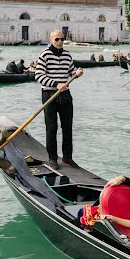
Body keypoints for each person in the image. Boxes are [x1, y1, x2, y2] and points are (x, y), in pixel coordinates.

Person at [35, 30, 83, 170]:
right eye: (57, 39)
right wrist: (56, 84)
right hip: (49, 94)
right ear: (51, 40)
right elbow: (38, 75)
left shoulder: (67, 54)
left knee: (67, 128)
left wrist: (77, 73)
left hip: (65, 95)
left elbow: (71, 72)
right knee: (52, 128)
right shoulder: (44, 55)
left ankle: (67, 158)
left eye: (62, 39)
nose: (60, 41)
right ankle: (52, 158)